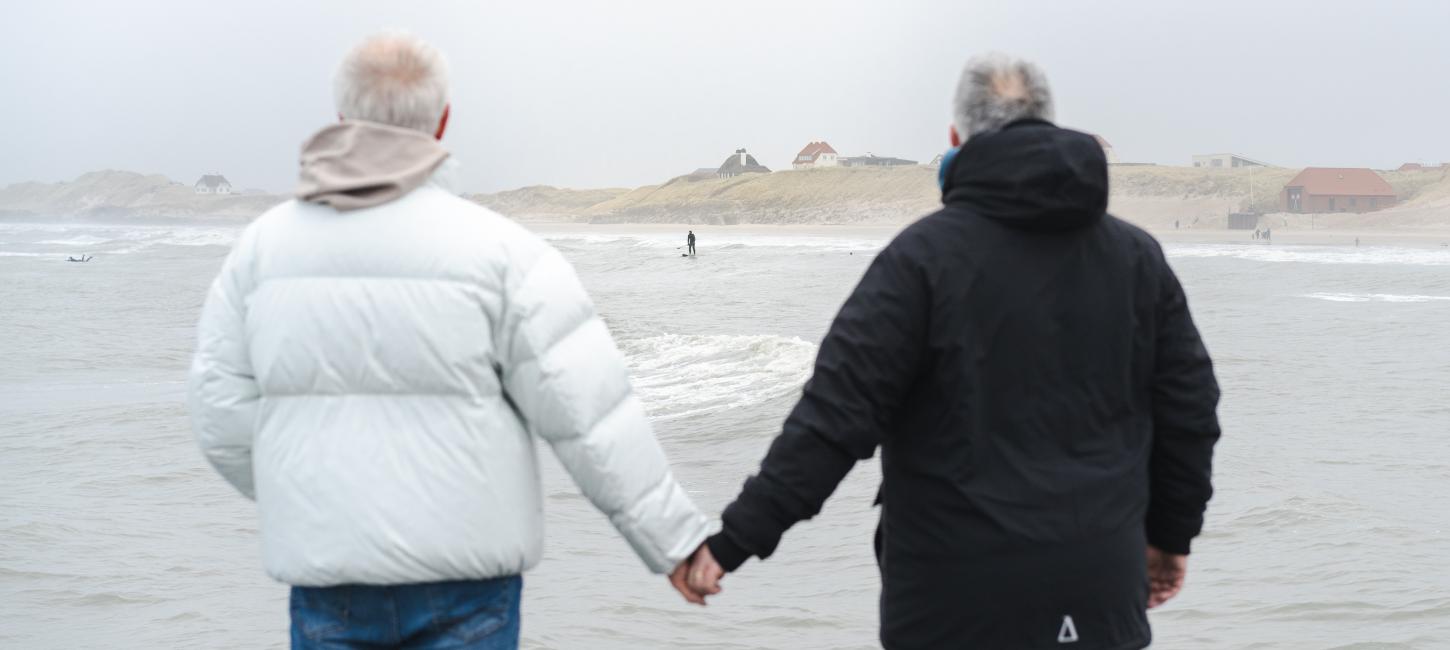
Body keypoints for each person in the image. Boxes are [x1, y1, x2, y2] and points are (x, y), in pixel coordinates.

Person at [678, 54, 1222, 649]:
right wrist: (1172, 536)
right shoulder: (1137, 260)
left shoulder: (920, 262)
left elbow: (832, 422)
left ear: (956, 139)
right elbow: (1189, 413)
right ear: (1046, 121)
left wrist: (731, 543)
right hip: (1100, 592)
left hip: (953, 604)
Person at [187, 33, 710, 649]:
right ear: (442, 120)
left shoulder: (260, 251)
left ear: (342, 117)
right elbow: (590, 417)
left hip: (332, 586)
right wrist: (675, 544)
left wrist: (318, 503)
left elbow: (219, 413)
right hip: (467, 586)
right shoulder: (505, 253)